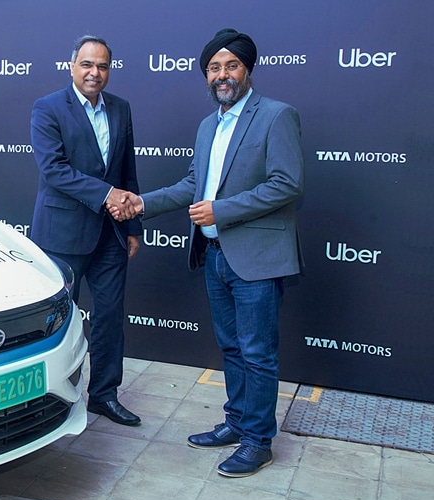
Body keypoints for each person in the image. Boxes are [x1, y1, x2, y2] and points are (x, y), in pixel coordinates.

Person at [112, 28, 303, 476]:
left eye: (231, 65)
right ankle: (237, 423)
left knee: (258, 352)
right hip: (215, 255)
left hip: (257, 256)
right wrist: (143, 203)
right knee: (233, 348)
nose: (222, 74)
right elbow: (191, 185)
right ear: (206, 75)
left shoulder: (277, 116)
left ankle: (259, 440)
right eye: (214, 67)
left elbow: (288, 183)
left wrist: (222, 210)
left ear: (247, 70)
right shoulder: (208, 125)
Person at [30, 35, 142, 426]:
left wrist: (133, 224)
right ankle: (50, 398)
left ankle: (105, 395)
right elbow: (55, 170)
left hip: (112, 233)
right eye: (87, 65)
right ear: (72, 64)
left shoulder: (121, 109)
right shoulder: (47, 108)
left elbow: (128, 170)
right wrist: (109, 194)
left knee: (110, 316)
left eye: (103, 66)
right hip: (63, 233)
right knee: (59, 320)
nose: (95, 73)